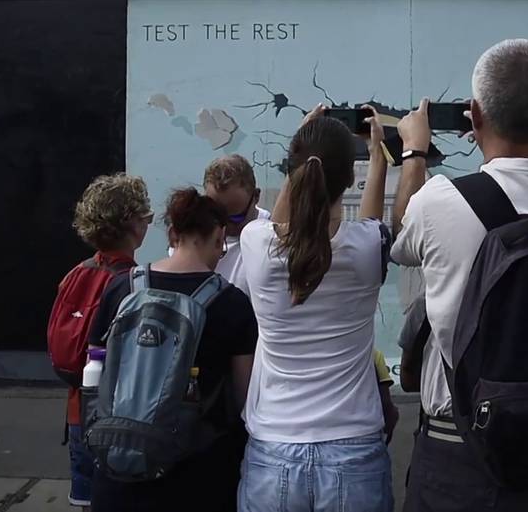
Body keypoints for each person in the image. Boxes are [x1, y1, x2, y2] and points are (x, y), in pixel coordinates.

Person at [390, 40, 528, 511]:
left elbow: (400, 242)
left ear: (474, 117)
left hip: (458, 452)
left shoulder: (438, 202)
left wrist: (414, 152)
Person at [238, 106, 393, 511]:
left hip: (274, 447)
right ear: (349, 178)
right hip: (353, 446)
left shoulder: (255, 243)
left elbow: (287, 228)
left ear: (293, 173)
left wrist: (302, 156)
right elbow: (371, 225)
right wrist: (377, 158)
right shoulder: (365, 249)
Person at [88, 187, 258, 512]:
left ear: (172, 232)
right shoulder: (232, 303)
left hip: (118, 460)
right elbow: (242, 395)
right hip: (199, 471)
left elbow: (95, 366)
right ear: (220, 236)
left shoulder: (123, 287)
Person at [53, 173, 153, 511]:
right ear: (132, 224)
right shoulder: (134, 284)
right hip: (114, 415)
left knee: (85, 500)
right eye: (146, 217)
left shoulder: (76, 273)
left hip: (78, 409)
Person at [168, 154, 270, 295]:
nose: (223, 227)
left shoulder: (272, 237)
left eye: (235, 218)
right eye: (215, 214)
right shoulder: (190, 239)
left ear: (256, 196)